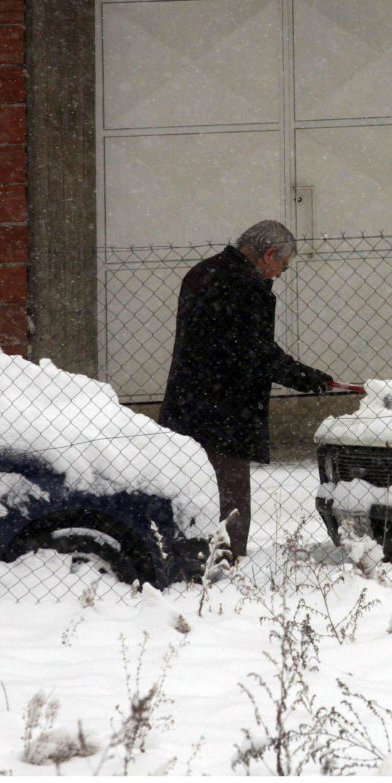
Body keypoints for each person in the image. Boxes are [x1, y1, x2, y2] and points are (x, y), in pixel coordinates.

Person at [159, 220, 332, 564]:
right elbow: (257, 352)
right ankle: (227, 560)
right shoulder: (247, 287)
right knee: (231, 493)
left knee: (186, 487)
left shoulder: (202, 272)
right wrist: (308, 379)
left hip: (186, 403)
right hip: (227, 410)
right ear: (268, 254)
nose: (280, 273)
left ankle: (182, 555)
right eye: (282, 264)